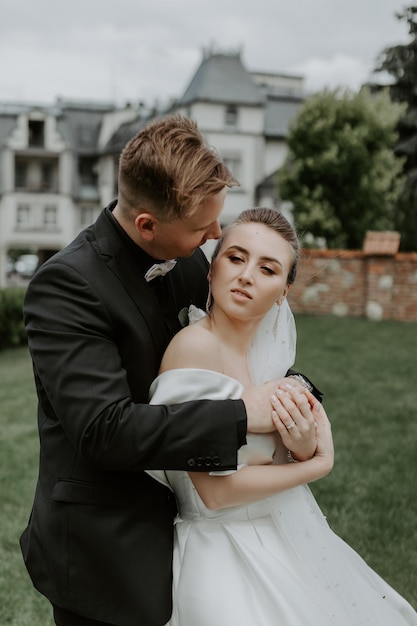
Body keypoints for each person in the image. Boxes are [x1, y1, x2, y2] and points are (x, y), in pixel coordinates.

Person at [20, 116, 318, 626]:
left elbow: (242, 344)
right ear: (146, 226)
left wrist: (297, 394)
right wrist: (240, 414)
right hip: (106, 542)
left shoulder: (190, 264)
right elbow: (104, 430)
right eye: (203, 227)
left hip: (195, 527)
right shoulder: (66, 286)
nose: (215, 234)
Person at [147, 207, 417, 626]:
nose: (246, 275)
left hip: (274, 538)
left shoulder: (269, 362)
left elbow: (274, 452)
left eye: (267, 268)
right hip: (221, 555)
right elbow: (214, 493)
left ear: (283, 291)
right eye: (236, 258)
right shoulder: (194, 349)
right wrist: (316, 464)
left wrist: (300, 443)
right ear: (211, 268)